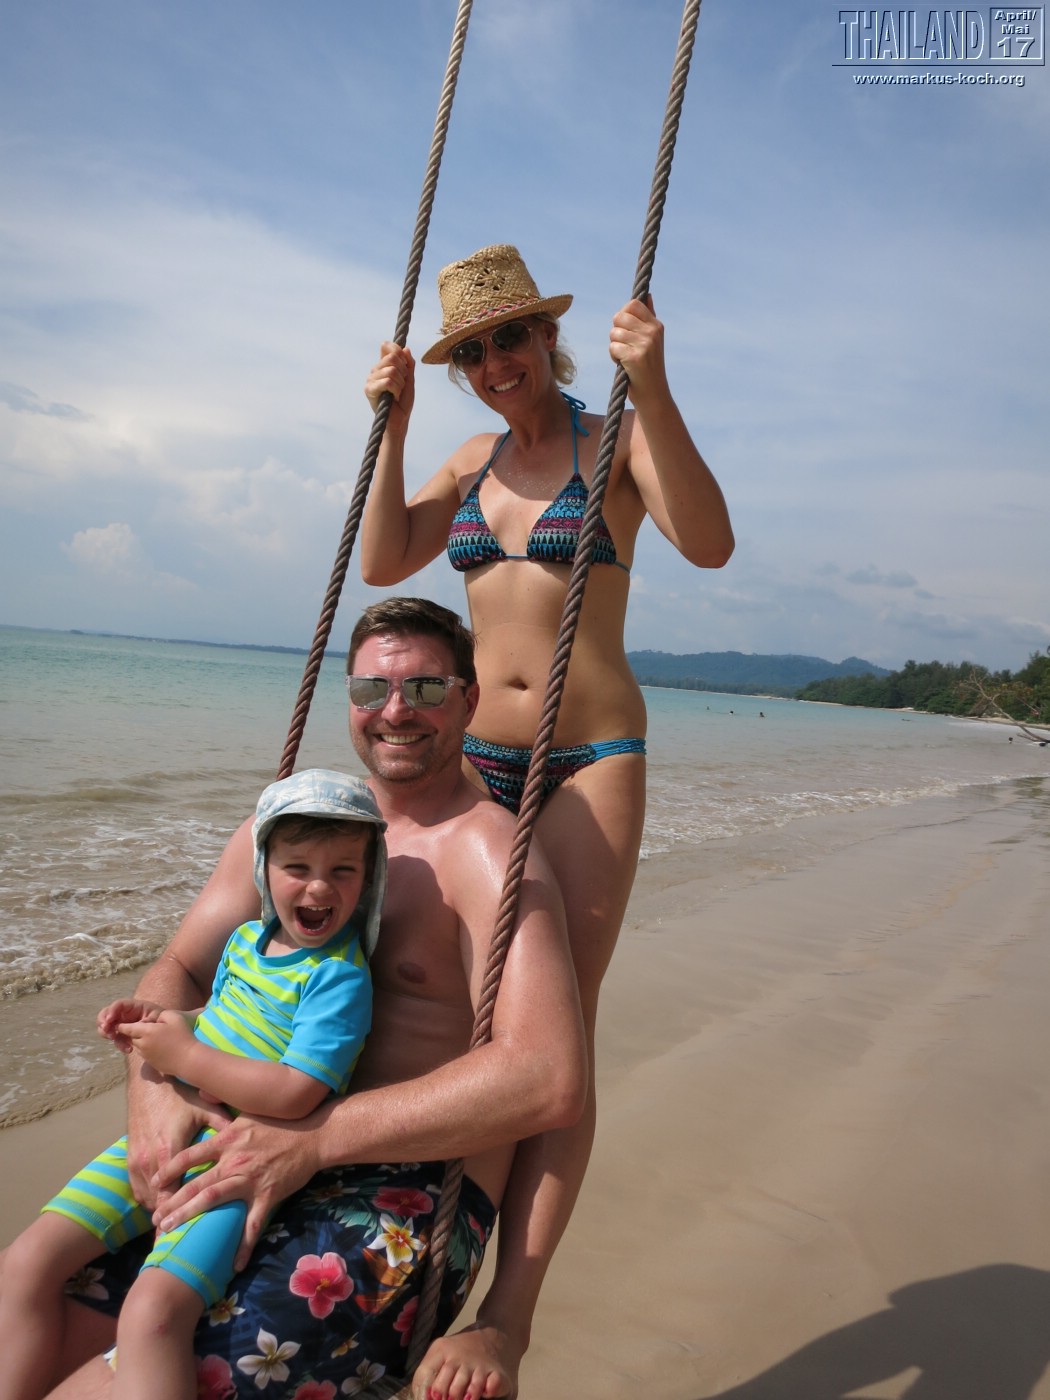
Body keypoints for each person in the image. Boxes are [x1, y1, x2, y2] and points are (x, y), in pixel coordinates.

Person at [27, 597, 586, 1400]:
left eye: (426, 689)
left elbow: (547, 1076)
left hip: (395, 1187)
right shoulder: (297, 825)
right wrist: (152, 1094)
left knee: (130, 1379)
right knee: (41, 1308)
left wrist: (315, 1142)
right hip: (241, 1139)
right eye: (371, 689)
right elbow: (181, 967)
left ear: (468, 702)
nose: (395, 711)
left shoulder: (488, 854)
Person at [360, 244, 735, 1396]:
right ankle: (410, 1256)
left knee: (557, 1033)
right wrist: (394, 427)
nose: (493, 363)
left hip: (589, 761)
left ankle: (506, 1319)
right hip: (476, 759)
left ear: (547, 337)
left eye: (509, 338)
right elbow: (382, 558)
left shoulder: (613, 442)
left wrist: (654, 384)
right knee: (457, 1011)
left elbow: (709, 541)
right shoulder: (469, 460)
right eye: (472, 351)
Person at [0, 769, 386, 1400]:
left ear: (368, 880)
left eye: (343, 870)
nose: (319, 886)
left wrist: (184, 1055)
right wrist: (164, 1020)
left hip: (232, 1165)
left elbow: (297, 1091)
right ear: (263, 870)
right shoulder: (246, 941)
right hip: (167, 1138)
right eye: (297, 867)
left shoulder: (338, 978)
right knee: (24, 1263)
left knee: (152, 1316)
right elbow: (220, 1019)